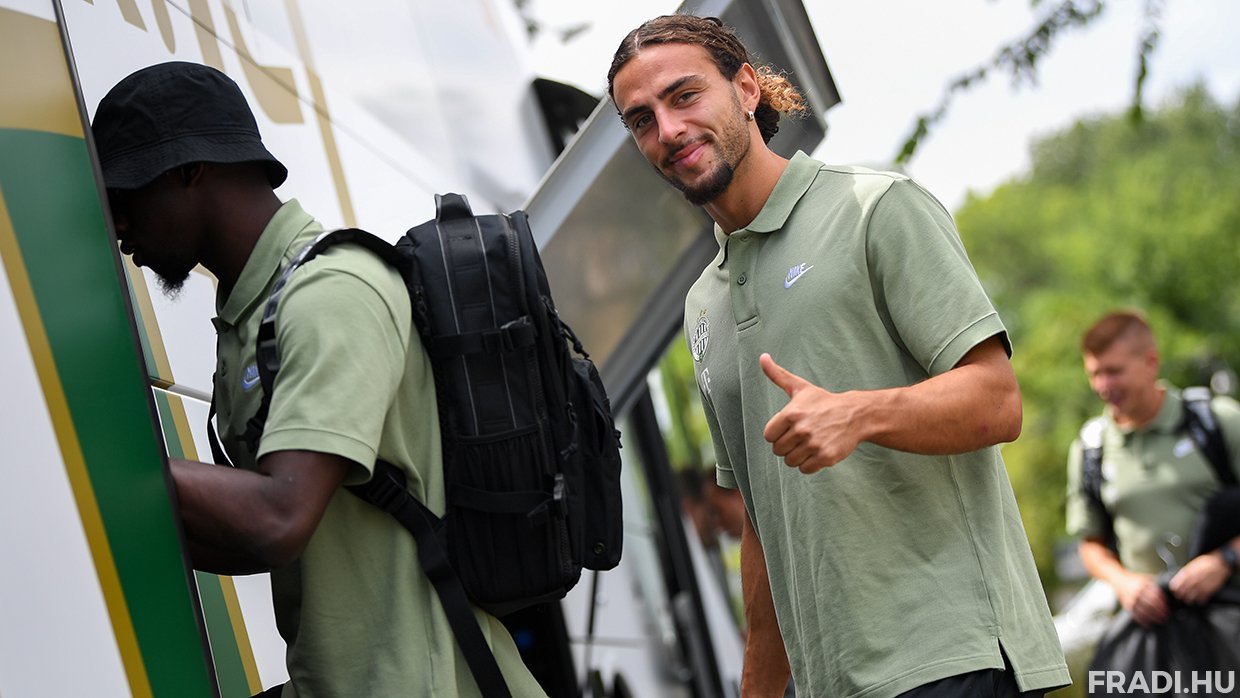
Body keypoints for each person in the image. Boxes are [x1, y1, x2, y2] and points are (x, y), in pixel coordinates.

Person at [608, 15, 1070, 697]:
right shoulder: (702, 305)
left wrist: (859, 413)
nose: (668, 130)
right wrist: (757, 688)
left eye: (684, 96)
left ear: (745, 89)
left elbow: (997, 401)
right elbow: (761, 518)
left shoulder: (875, 207)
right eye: (642, 120)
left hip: (953, 658)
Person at [91, 61, 545, 698]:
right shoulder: (252, 316)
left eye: (126, 197)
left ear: (189, 170)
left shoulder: (331, 291)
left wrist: (94, 470)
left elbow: (278, 519)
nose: (116, 226)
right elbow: (262, 543)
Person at [1066, 311, 1240, 628]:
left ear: (1150, 362)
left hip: (1230, 620)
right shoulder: (1090, 448)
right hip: (1153, 629)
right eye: (1094, 374)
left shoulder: (1216, 421)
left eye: (1114, 371)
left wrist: (1225, 560)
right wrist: (1123, 583)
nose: (1103, 386)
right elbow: (1091, 544)